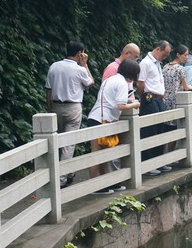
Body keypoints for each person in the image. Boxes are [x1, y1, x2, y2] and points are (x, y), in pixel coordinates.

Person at [85, 59, 141, 193]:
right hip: (101, 119)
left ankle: (107, 183)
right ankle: (96, 186)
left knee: (104, 154)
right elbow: (120, 105)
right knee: (97, 154)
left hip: (97, 117)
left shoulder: (112, 79)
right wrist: (135, 104)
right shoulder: (122, 83)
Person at [45, 41, 94, 188]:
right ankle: (61, 179)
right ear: (80, 53)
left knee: (58, 143)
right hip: (73, 107)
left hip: (56, 106)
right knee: (68, 145)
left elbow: (48, 90)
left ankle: (65, 173)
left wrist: (50, 109)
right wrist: (85, 65)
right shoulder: (79, 69)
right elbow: (90, 83)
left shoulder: (54, 66)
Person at [137, 40, 172, 176]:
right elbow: (140, 83)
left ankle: (158, 161)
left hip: (159, 99)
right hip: (150, 99)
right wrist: (145, 97)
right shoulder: (145, 63)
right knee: (149, 131)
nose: (165, 57)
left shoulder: (157, 63)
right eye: (165, 54)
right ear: (158, 49)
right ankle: (148, 163)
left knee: (160, 130)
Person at [163, 44, 192, 126]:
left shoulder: (165, 67)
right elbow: (186, 86)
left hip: (165, 98)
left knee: (166, 122)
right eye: (185, 55)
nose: (187, 57)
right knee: (178, 124)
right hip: (176, 99)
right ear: (178, 55)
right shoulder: (180, 68)